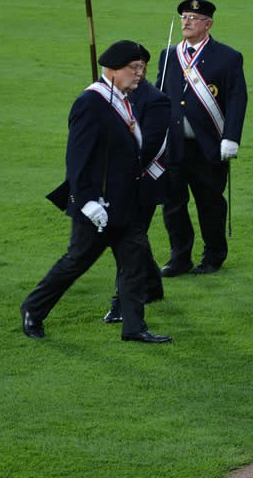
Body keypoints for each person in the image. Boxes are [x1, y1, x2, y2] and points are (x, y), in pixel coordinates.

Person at [20, 40, 172, 344]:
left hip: (125, 204)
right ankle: (33, 310)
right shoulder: (91, 102)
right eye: (134, 68)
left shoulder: (122, 99)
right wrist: (87, 200)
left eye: (141, 68)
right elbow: (77, 158)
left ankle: (133, 327)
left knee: (133, 263)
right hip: (98, 206)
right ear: (113, 70)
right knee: (76, 262)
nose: (140, 74)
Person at [156, 0, 248, 276]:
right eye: (184, 17)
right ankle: (179, 256)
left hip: (208, 146)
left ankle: (214, 255)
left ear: (208, 24)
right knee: (173, 205)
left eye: (193, 18)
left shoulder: (228, 57)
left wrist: (231, 137)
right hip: (173, 145)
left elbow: (237, 99)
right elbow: (159, 94)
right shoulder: (169, 54)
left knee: (209, 204)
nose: (186, 22)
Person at [103, 74, 170, 323]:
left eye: (138, 66)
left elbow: (149, 145)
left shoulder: (155, 100)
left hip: (144, 181)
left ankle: (122, 302)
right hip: (119, 180)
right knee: (134, 237)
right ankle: (152, 286)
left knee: (127, 240)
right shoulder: (108, 95)